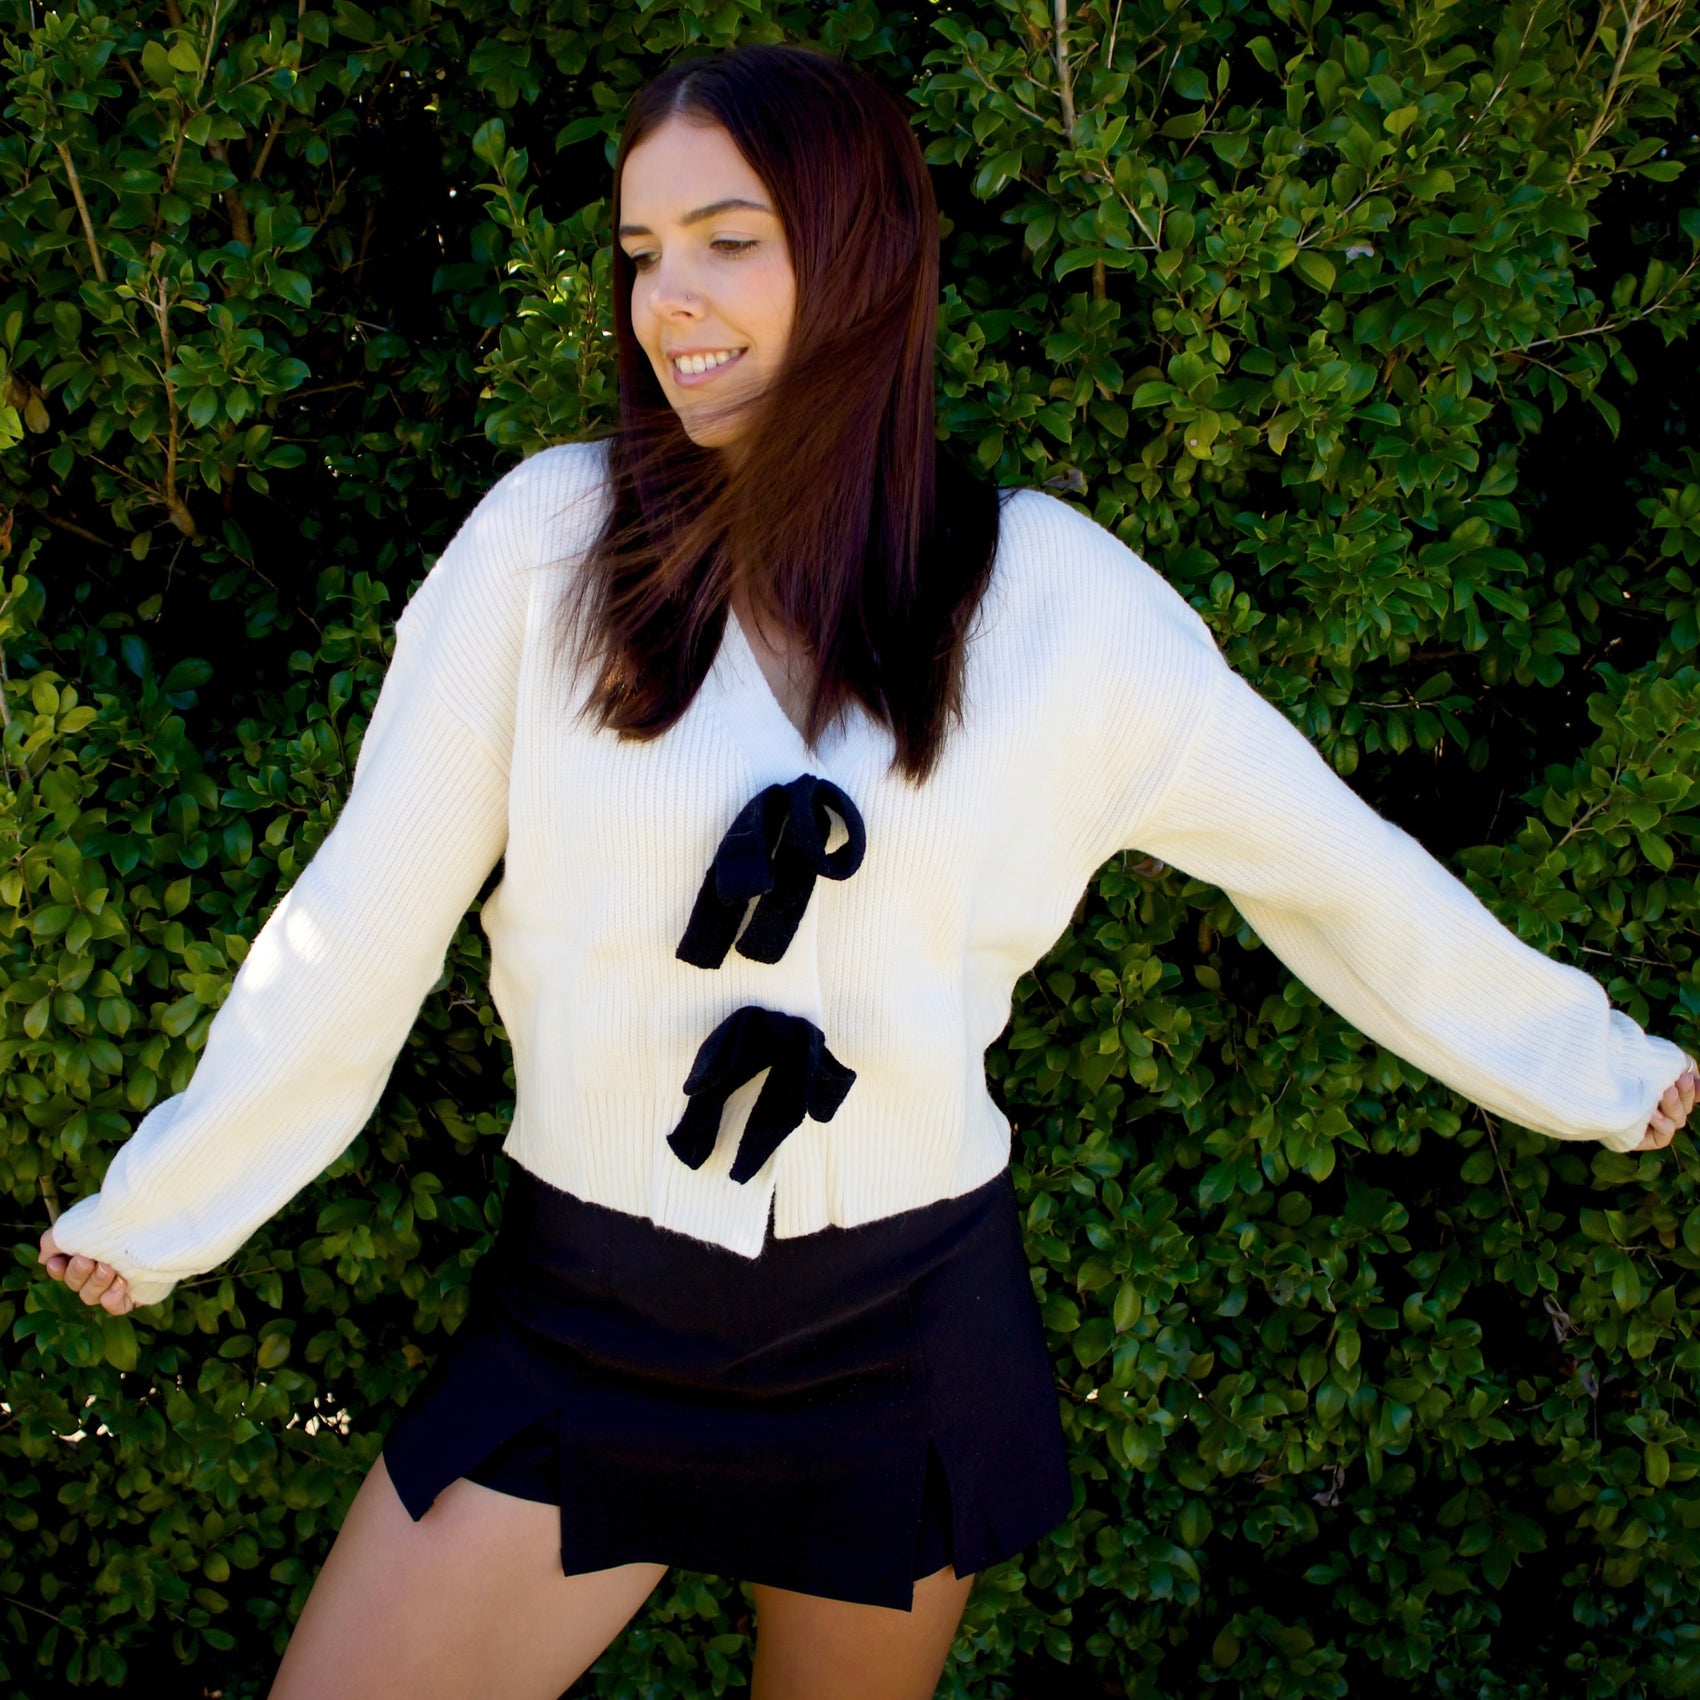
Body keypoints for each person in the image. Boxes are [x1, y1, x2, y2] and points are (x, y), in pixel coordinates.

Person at [37, 40, 1697, 1700]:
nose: (668, 297)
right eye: (640, 252)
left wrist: (1590, 1065)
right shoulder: (548, 545)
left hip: (903, 1323)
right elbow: (363, 916)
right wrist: (183, 1199)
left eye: (728, 236)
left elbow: (1338, 871)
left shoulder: (1057, 600)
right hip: (591, 1308)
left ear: (859, 248)